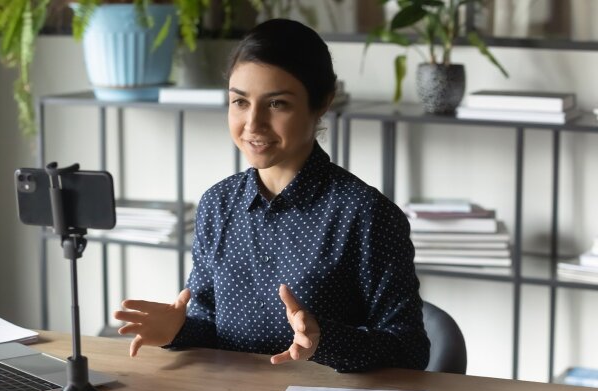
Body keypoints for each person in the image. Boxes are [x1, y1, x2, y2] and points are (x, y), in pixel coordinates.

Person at [113, 18, 429, 372]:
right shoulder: (218, 204)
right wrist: (177, 330)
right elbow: (207, 326)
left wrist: (324, 341)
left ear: (322, 102)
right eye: (240, 102)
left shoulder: (365, 213)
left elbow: (409, 351)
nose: (253, 124)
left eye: (277, 104)